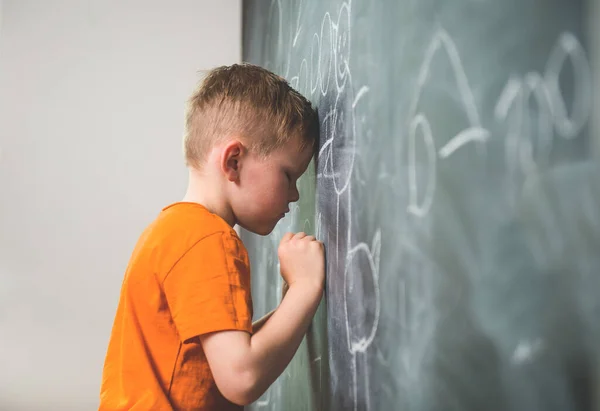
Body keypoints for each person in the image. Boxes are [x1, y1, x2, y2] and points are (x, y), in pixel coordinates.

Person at [98, 63, 324, 410]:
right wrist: (307, 289)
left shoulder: (176, 230)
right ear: (234, 161)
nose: (294, 195)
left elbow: (221, 357)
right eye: (288, 174)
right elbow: (242, 378)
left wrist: (291, 305)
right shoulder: (207, 240)